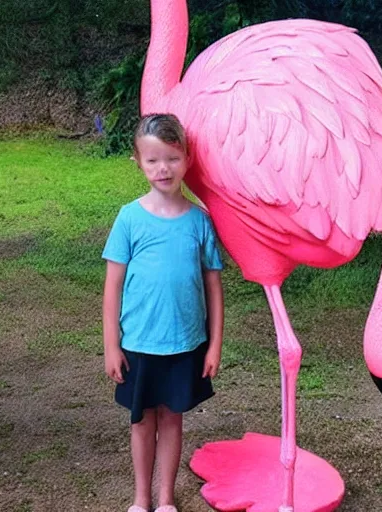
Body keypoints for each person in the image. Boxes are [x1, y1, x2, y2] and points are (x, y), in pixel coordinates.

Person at [102, 114, 224, 512]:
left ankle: (167, 499)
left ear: (187, 159)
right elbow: (113, 287)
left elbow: (213, 288)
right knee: (142, 422)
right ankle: (141, 499)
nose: (163, 169)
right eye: (152, 160)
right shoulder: (128, 218)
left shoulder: (199, 222)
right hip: (138, 343)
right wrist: (111, 346)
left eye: (171, 158)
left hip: (185, 343)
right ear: (138, 161)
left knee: (172, 420)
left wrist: (213, 346)